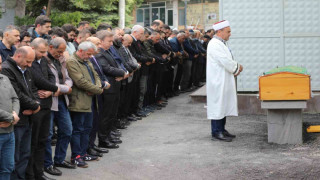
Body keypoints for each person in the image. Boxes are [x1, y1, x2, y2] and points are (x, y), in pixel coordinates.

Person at [1, 46, 41, 180]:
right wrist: (13, 116)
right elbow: (18, 94)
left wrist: (36, 105)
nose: (29, 65)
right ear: (18, 56)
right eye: (28, 62)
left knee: (24, 154)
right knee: (13, 158)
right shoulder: (7, 69)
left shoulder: (23, 70)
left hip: (24, 118)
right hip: (15, 121)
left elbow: (30, 90)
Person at [26, 38, 60, 180]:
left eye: (45, 51)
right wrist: (55, 88)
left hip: (47, 104)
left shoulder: (44, 60)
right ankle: (31, 174)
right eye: (41, 51)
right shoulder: (29, 62)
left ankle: (39, 173)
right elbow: (38, 80)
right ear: (32, 48)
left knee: (43, 140)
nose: (44, 54)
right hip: (37, 105)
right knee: (33, 143)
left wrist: (51, 90)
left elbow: (52, 76)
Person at [67, 41, 103, 168]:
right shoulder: (72, 61)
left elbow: (96, 76)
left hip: (90, 98)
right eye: (88, 54)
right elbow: (80, 81)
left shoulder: (86, 60)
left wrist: (97, 87)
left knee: (88, 127)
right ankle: (76, 156)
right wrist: (98, 89)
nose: (90, 57)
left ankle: (83, 153)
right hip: (79, 101)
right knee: (78, 129)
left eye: (91, 54)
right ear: (80, 51)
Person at [207, 20, 243, 142]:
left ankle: (222, 129)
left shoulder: (221, 43)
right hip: (218, 80)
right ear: (219, 31)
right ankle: (216, 132)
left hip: (223, 79)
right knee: (218, 105)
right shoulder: (214, 44)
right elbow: (224, 60)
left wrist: (235, 66)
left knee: (223, 105)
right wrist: (237, 67)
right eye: (228, 32)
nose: (230, 34)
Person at [44, 37, 75, 176]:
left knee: (67, 130)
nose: (61, 54)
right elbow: (46, 82)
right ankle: (47, 164)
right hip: (50, 100)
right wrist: (64, 88)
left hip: (62, 99)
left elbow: (67, 77)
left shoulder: (61, 59)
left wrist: (67, 87)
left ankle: (60, 159)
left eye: (63, 51)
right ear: (51, 48)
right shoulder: (44, 60)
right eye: (59, 51)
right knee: (48, 134)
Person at [95, 30, 126, 149]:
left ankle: (108, 135)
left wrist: (121, 72)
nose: (111, 44)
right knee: (106, 115)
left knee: (112, 113)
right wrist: (122, 72)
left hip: (114, 86)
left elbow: (116, 64)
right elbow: (106, 68)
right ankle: (103, 139)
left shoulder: (107, 52)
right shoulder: (99, 53)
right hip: (109, 88)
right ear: (101, 41)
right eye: (109, 41)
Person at [0, 55, 20, 180]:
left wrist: (14, 115)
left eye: (1, 63)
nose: (0, 67)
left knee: (8, 167)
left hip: (9, 132)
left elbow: (15, 98)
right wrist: (11, 118)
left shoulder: (5, 78)